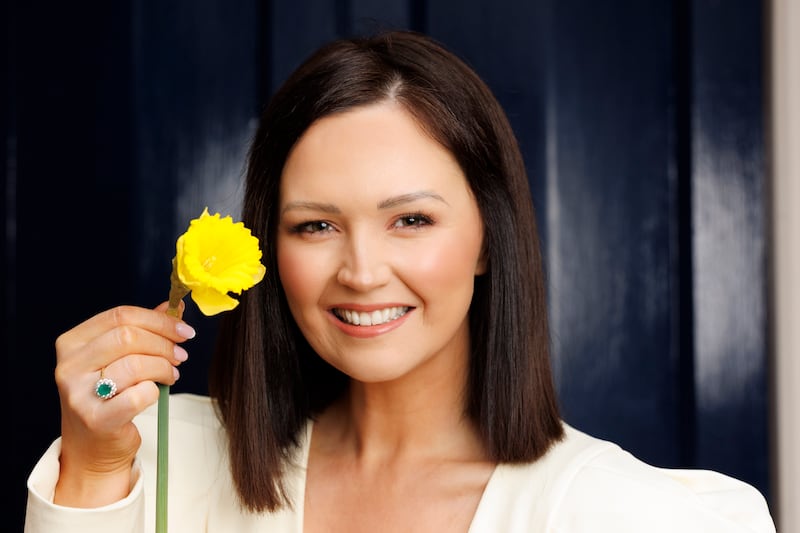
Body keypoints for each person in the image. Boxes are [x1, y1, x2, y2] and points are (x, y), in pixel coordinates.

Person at [25, 30, 775, 532]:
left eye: (411, 219)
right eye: (315, 225)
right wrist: (93, 466)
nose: (360, 270)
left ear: (488, 237)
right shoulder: (159, 460)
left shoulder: (638, 515)